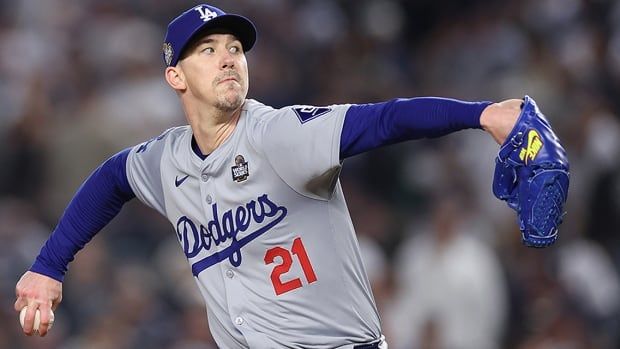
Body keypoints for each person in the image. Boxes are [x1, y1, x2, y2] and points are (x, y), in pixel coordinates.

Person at [14, 4, 534, 348]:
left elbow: (383, 120)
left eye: (235, 48)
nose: (228, 59)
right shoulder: (166, 160)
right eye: (208, 49)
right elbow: (111, 179)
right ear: (176, 76)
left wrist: (482, 114)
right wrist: (47, 267)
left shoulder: (278, 135)